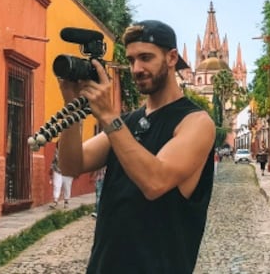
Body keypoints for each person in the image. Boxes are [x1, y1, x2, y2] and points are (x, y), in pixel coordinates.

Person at [57, 20, 216, 273]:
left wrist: (108, 117)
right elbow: (71, 165)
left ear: (172, 57)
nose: (137, 68)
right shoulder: (127, 122)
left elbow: (155, 183)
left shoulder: (196, 122)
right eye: (131, 60)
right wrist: (70, 109)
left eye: (145, 58)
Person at [49, 142, 73, 209]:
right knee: (56, 185)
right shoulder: (56, 152)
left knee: (67, 186)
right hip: (57, 170)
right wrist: (51, 168)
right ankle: (55, 201)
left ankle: (66, 201)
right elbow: (54, 161)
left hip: (67, 172)